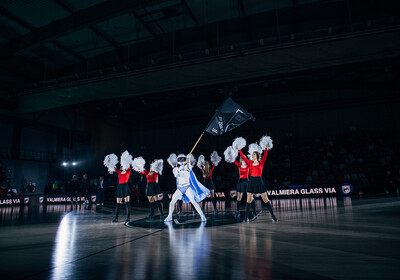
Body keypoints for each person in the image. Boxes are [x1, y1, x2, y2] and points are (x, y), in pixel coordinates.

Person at [238, 141, 278, 222]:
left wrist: (266, 147)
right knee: (248, 199)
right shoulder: (249, 163)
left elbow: (265, 155)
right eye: (252, 155)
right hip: (251, 181)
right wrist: (239, 149)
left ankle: (273, 216)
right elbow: (243, 156)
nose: (252, 156)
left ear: (257, 155)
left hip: (259, 181)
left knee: (265, 199)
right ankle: (246, 217)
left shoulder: (261, 162)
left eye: (254, 154)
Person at [164, 154, 209, 222]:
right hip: (179, 188)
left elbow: (189, 169)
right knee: (172, 202)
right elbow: (176, 175)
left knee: (193, 202)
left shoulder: (188, 166)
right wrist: (179, 170)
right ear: (178, 160)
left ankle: (202, 216)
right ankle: (169, 216)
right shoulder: (176, 169)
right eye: (180, 159)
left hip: (187, 187)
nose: (182, 160)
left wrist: (187, 162)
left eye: (183, 159)